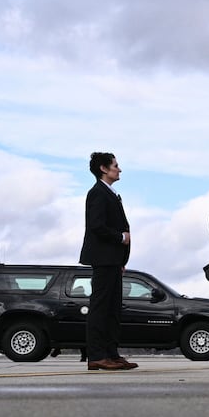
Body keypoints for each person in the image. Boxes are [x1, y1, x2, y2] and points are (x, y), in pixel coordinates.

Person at [79, 152, 137, 371]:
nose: (119, 169)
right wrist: (121, 237)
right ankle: (96, 356)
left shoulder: (111, 194)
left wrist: (122, 259)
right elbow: (96, 225)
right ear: (104, 168)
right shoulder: (97, 193)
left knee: (113, 309)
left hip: (113, 261)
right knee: (100, 308)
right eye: (115, 165)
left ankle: (111, 353)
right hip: (103, 260)